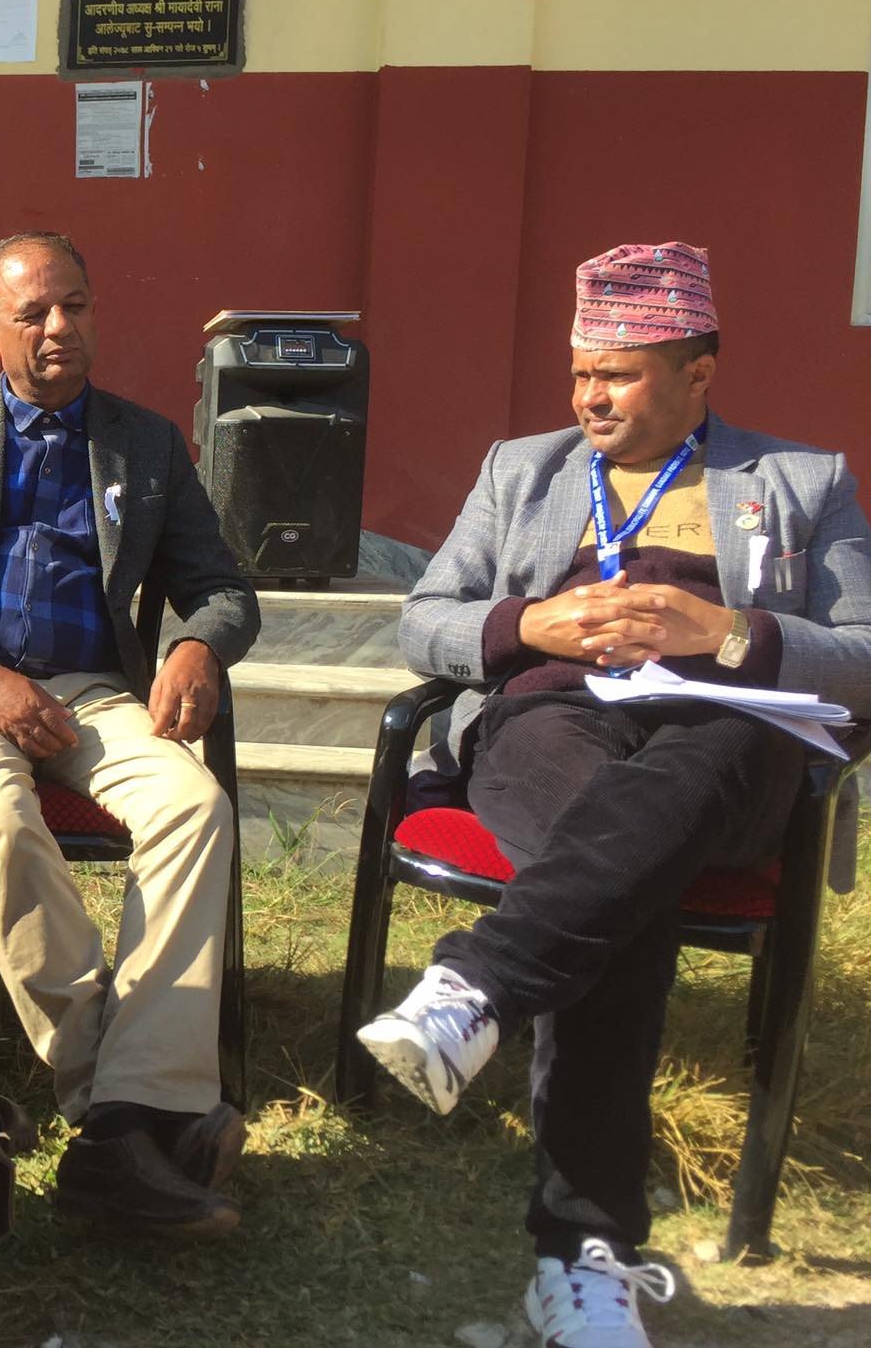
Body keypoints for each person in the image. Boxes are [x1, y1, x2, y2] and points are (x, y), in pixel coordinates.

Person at [360, 241, 871, 1346]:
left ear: (698, 373)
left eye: (619, 375)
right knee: (620, 870)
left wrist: (728, 633)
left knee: (658, 803)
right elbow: (421, 618)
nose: (589, 396)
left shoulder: (800, 481)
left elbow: (866, 654)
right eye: (580, 372)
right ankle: (583, 1258)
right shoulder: (521, 471)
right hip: (554, 718)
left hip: (724, 738)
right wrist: (525, 626)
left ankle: (478, 986)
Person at [0, 230, 260, 1237]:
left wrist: (198, 644)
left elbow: (220, 586)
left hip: (94, 694)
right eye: (33, 314)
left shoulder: (144, 443)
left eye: (74, 305)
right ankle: (127, 1105)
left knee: (194, 809)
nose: (60, 326)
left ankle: (125, 1115)